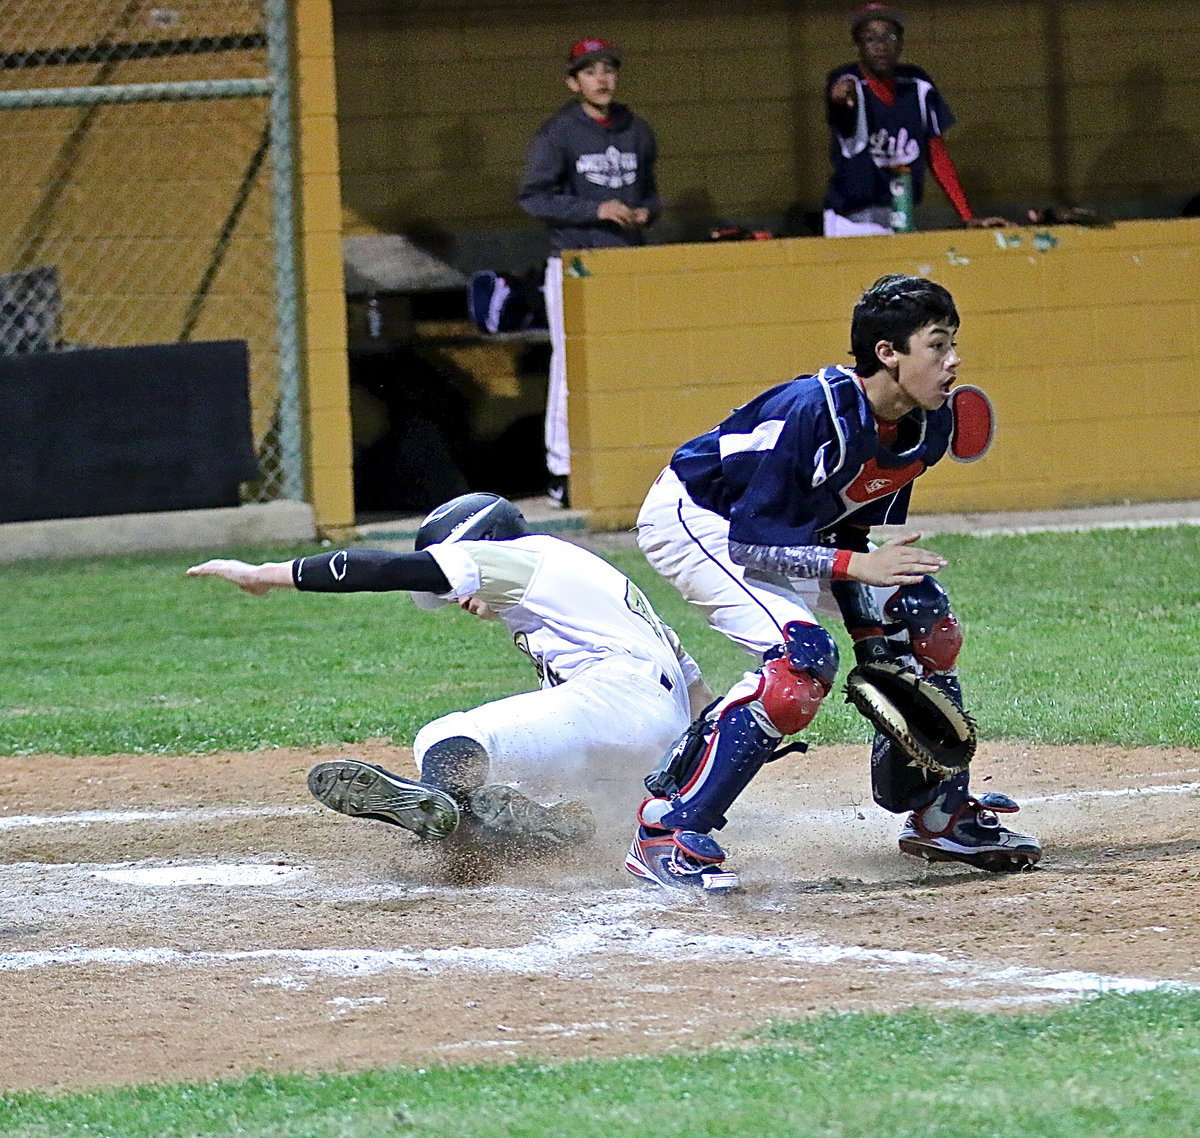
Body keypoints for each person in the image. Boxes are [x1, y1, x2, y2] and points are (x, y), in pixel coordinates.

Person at [625, 274, 1042, 891]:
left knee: (923, 622)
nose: (953, 362)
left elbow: (845, 529)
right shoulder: (814, 411)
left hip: (777, 530)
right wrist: (855, 570)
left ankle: (937, 811)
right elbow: (751, 542)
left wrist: (878, 640)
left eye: (953, 343)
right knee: (800, 664)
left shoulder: (927, 425)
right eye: (937, 345)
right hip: (701, 519)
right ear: (887, 354)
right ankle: (668, 828)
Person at [187, 493, 710, 863]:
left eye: (452, 581)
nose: (456, 601)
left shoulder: (525, 556)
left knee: (447, 740)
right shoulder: (601, 588)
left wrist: (264, 575)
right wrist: (695, 791)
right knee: (522, 792)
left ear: (482, 546)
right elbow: (700, 701)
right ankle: (517, 831)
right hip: (648, 742)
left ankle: (440, 806)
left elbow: (380, 570)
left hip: (611, 701)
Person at [518, 37, 661, 507]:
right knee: (569, 367)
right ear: (573, 82)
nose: (601, 79)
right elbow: (534, 197)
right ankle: (561, 469)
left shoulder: (635, 128)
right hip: (574, 263)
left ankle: (624, 462)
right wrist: (596, 209)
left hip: (625, 263)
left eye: (607, 69)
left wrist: (643, 213)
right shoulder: (558, 133)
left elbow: (651, 195)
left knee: (627, 363)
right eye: (590, 71)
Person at [823, 3, 1009, 236]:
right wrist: (839, 96)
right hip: (851, 220)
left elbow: (936, 153)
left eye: (888, 37)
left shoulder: (917, 84)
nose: (880, 46)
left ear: (900, 42)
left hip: (901, 214)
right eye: (870, 39)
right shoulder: (848, 80)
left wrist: (967, 216)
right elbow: (840, 94)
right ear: (857, 44)